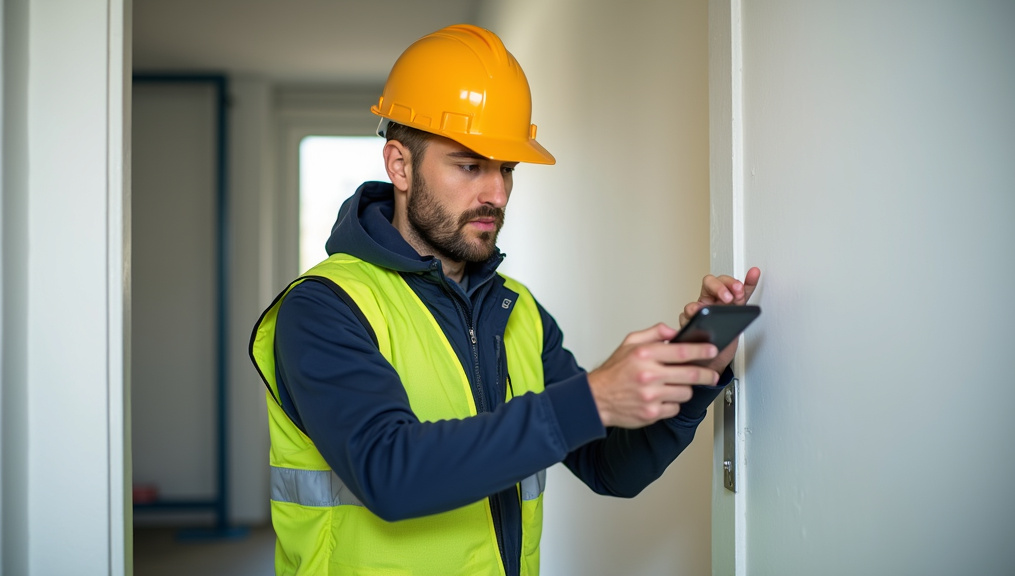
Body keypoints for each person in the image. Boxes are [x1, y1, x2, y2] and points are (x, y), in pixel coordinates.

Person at [249, 23, 760, 576]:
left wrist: (693, 377)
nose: (495, 193)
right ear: (399, 165)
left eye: (507, 169)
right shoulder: (324, 307)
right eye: (470, 165)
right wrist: (592, 399)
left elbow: (612, 469)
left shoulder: (515, 311)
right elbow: (387, 473)